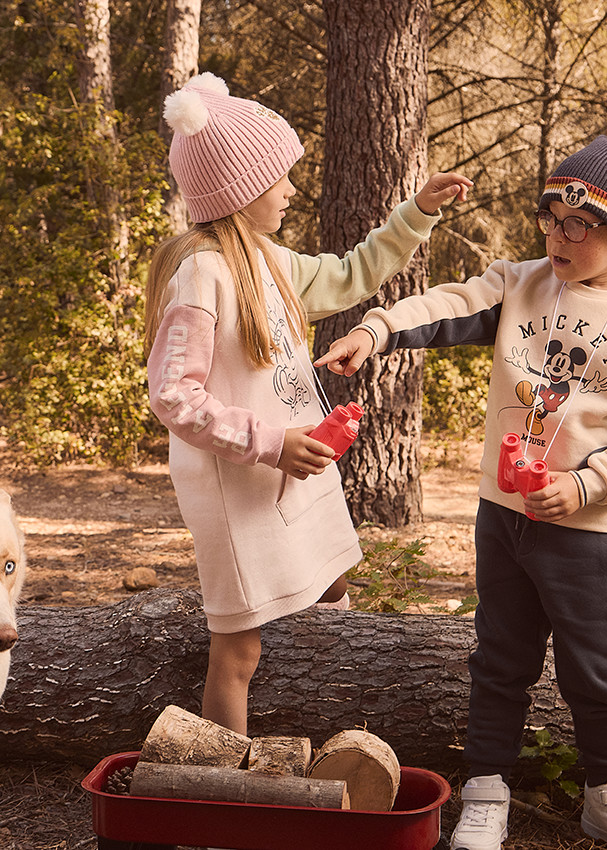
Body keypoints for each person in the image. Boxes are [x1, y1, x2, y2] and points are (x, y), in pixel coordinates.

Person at [315, 113, 607, 850]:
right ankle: (486, 791)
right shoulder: (519, 287)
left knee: (598, 674)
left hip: (588, 536)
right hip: (504, 521)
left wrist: (583, 487)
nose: (556, 238)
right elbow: (450, 304)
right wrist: (376, 329)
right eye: (549, 219)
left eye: (577, 227)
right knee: (500, 659)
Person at [145, 72, 472, 737]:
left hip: (295, 477)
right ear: (238, 189)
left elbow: (355, 272)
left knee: (332, 585)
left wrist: (418, 211)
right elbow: (173, 393)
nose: (291, 190)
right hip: (240, 490)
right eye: (280, 178)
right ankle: (225, 801)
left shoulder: (272, 262)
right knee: (239, 651)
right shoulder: (201, 273)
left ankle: (331, 737)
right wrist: (270, 442)